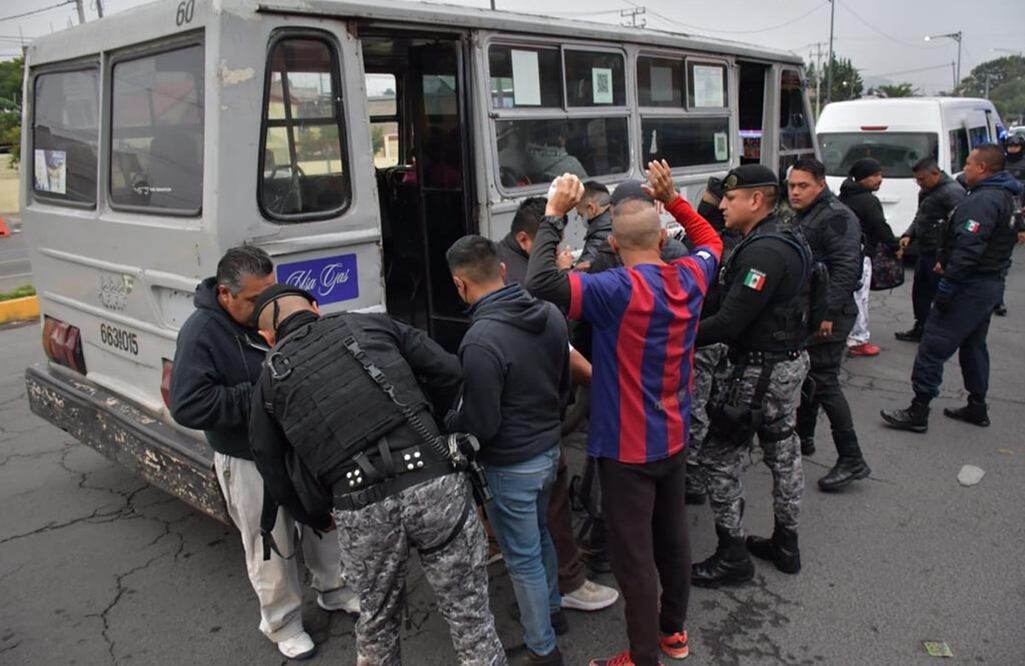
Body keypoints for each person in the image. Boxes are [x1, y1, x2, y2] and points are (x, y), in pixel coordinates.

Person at [527, 161, 723, 666]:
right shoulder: (692, 275)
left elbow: (542, 284)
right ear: (662, 239)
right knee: (673, 539)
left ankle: (641, 656)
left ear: (613, 245)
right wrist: (675, 198)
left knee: (633, 558)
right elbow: (711, 239)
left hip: (625, 446)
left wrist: (553, 215)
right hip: (674, 433)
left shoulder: (613, 291)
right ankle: (672, 633)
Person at [248, 285, 506, 666]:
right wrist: (429, 426)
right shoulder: (371, 324)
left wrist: (315, 516)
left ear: (266, 335)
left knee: (376, 624)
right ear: (316, 309)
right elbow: (449, 370)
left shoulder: (270, 377)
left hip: (359, 506)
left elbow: (268, 460)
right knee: (470, 615)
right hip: (434, 483)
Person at [168, 247, 357, 661]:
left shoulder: (277, 309)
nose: (265, 306)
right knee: (269, 542)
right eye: (255, 299)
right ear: (224, 294)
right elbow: (187, 404)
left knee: (325, 522)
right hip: (249, 458)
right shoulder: (201, 332)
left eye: (270, 292)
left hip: (301, 447)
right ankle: (283, 622)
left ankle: (335, 588)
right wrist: (262, 396)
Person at [445, 236, 570, 665]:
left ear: (460, 285)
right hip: (549, 450)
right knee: (540, 537)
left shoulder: (480, 340)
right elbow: (563, 383)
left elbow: (482, 423)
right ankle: (554, 610)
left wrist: (452, 427)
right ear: (501, 269)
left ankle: (543, 649)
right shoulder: (551, 314)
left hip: (512, 464)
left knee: (522, 559)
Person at [496, 199, 621, 615]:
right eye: (548, 245)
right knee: (552, 498)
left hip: (517, 412)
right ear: (523, 239)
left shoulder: (500, 262)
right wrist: (606, 382)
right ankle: (567, 581)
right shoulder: (521, 281)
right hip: (535, 415)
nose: (556, 252)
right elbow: (562, 347)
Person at [688, 165, 811, 587]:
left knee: (718, 459)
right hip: (787, 364)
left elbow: (728, 322)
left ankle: (732, 555)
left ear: (755, 200)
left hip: (758, 373)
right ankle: (786, 544)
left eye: (730, 198)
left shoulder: (763, 252)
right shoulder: (784, 235)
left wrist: (672, 336)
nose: (722, 205)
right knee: (783, 450)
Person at [882, 145, 1023, 432]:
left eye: (969, 163)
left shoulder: (984, 201)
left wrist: (948, 284)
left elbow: (969, 249)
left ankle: (918, 411)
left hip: (970, 285)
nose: (964, 168)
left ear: (982, 168)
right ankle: (976, 405)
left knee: (932, 347)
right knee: (973, 345)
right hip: (987, 283)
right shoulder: (1007, 196)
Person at [788, 158, 871, 492]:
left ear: (820, 184)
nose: (794, 191)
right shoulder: (809, 213)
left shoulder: (836, 216)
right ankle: (804, 436)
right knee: (811, 374)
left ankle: (851, 458)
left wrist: (827, 314)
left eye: (802, 186)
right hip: (810, 310)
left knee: (824, 381)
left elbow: (846, 268)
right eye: (791, 185)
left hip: (827, 315)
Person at [895, 159, 966, 341]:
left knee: (940, 294)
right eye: (917, 180)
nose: (919, 183)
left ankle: (943, 331)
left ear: (935, 173)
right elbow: (921, 215)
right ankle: (922, 326)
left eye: (922, 179)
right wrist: (909, 234)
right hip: (925, 250)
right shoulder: (926, 191)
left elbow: (959, 225)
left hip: (939, 252)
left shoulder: (953, 193)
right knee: (920, 293)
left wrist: (946, 257)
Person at [838, 158, 898, 357]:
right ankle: (858, 340)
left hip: (843, 254)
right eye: (874, 175)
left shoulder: (843, 195)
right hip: (860, 254)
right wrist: (895, 245)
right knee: (859, 297)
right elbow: (880, 226)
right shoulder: (867, 200)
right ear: (863, 178)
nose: (879, 179)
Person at [574, 181, 613, 270]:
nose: (581, 219)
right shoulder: (622, 222)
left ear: (591, 208)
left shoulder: (598, 237)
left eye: (580, 214)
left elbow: (581, 274)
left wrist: (565, 268)